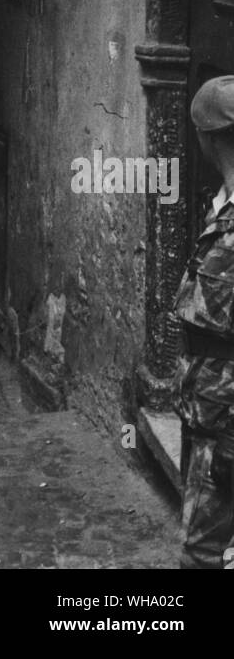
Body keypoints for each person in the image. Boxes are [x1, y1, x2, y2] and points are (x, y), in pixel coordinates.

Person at [174, 76, 234, 569]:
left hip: (226, 418)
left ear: (208, 138)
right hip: (207, 408)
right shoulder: (221, 204)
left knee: (201, 551)